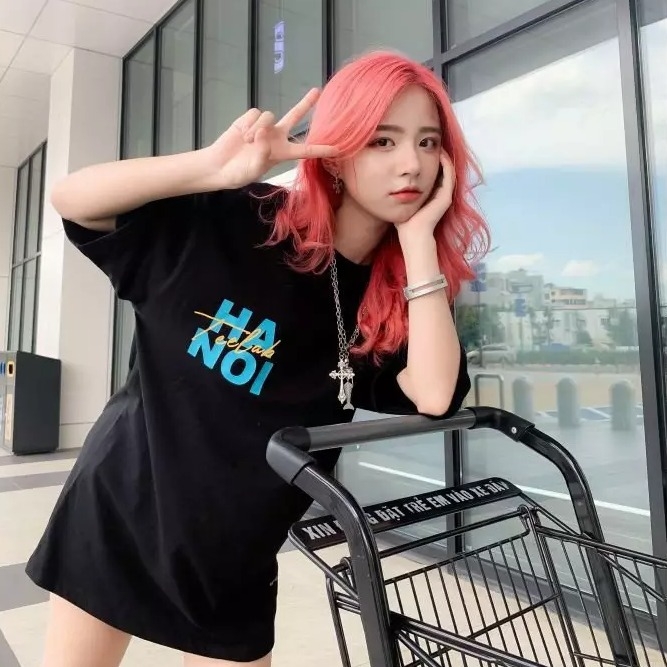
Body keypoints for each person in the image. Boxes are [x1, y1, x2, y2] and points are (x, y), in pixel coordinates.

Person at [26, 50, 488, 667]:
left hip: (235, 554)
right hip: (120, 516)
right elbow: (73, 198)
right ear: (337, 153)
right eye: (383, 140)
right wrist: (210, 168)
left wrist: (418, 241)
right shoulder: (240, 221)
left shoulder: (397, 292)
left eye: (428, 142)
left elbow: (433, 394)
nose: (412, 163)